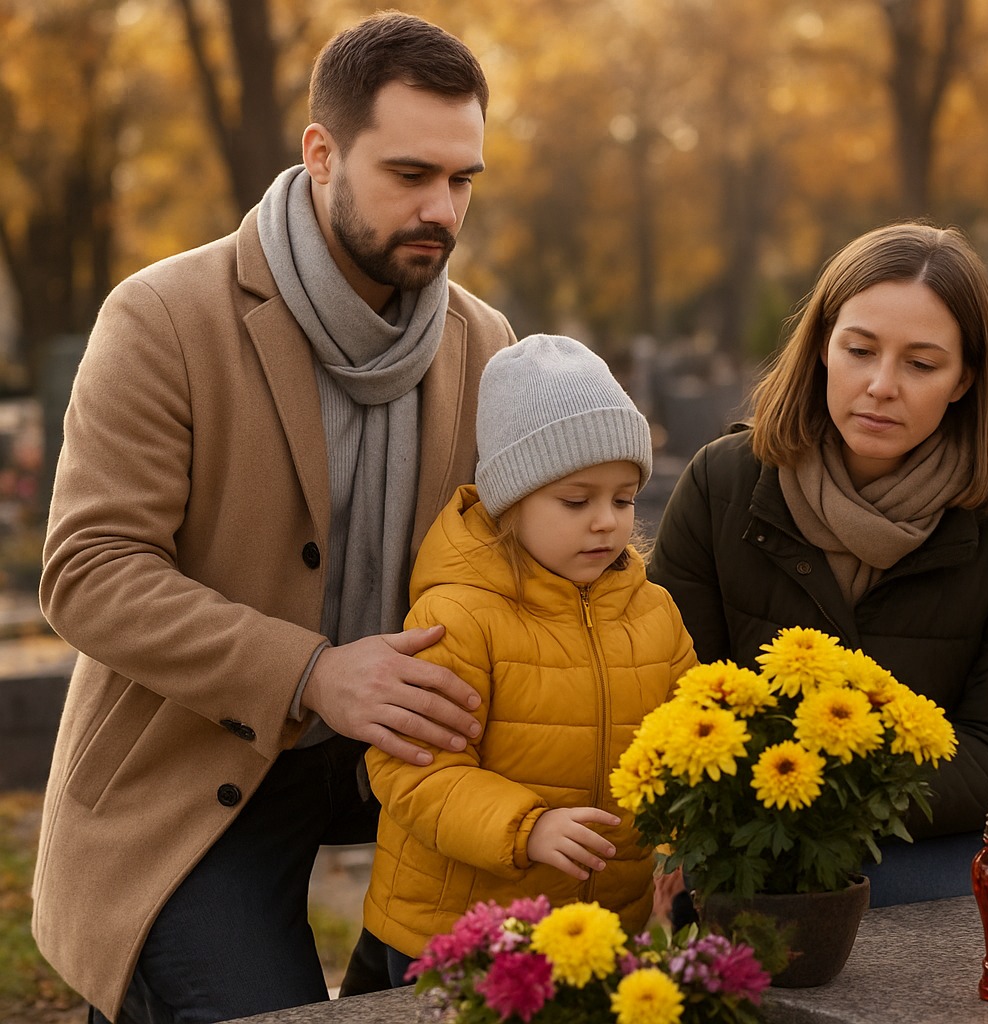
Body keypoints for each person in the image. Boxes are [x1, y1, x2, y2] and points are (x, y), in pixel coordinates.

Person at [33, 13, 514, 1023]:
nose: (441, 209)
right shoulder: (162, 318)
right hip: (196, 763)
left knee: (474, 1000)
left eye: (462, 180)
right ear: (322, 152)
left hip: (417, 759)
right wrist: (311, 671)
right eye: (410, 173)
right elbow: (89, 568)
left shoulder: (484, 342)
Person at [650, 221, 988, 908]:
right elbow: (667, 690)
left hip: (949, 846)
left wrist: (824, 786)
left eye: (921, 364)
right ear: (823, 346)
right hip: (750, 835)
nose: (881, 386)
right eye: (859, 350)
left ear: (966, 378)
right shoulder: (722, 486)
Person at [361, 334, 695, 984]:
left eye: (623, 500)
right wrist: (527, 827)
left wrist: (684, 840)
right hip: (455, 938)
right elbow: (414, 773)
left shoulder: (653, 614)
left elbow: (684, 746)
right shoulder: (458, 616)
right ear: (509, 503)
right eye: (577, 501)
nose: (606, 521)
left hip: (598, 933)